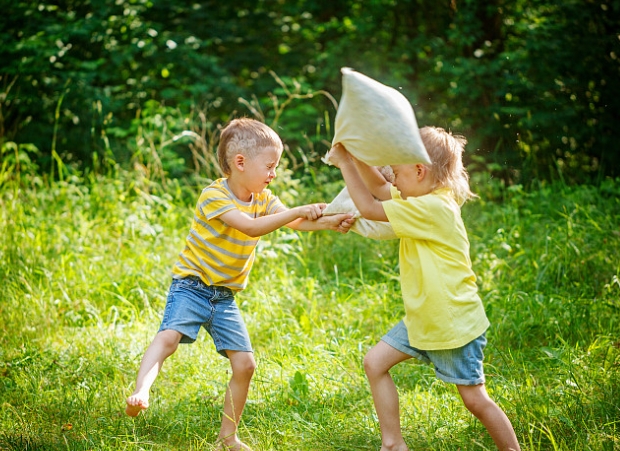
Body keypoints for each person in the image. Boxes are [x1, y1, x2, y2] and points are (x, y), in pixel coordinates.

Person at [125, 118, 355, 451]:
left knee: (245, 364)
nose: (273, 173)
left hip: (224, 297)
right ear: (240, 163)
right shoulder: (214, 195)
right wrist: (299, 210)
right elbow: (250, 227)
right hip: (191, 286)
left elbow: (299, 223)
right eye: (270, 166)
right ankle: (141, 391)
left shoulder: (264, 198)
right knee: (169, 337)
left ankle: (227, 437)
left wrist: (334, 222)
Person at [327, 127, 521, 451]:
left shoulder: (432, 208)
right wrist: (357, 154)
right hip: (423, 318)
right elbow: (376, 186)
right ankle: (393, 444)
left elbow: (372, 206)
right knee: (374, 363)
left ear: (419, 171)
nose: (393, 180)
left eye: (398, 172)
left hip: (452, 323)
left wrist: (346, 163)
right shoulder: (422, 196)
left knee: (475, 399)